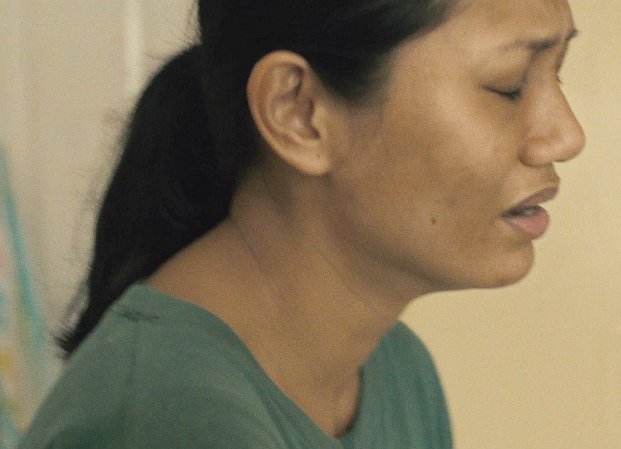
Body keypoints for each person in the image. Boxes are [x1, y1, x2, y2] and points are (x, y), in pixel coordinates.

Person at [19, 0, 584, 447]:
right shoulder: (173, 421)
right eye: (508, 85)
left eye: (557, 75)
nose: (565, 136)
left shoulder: (397, 370)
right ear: (298, 113)